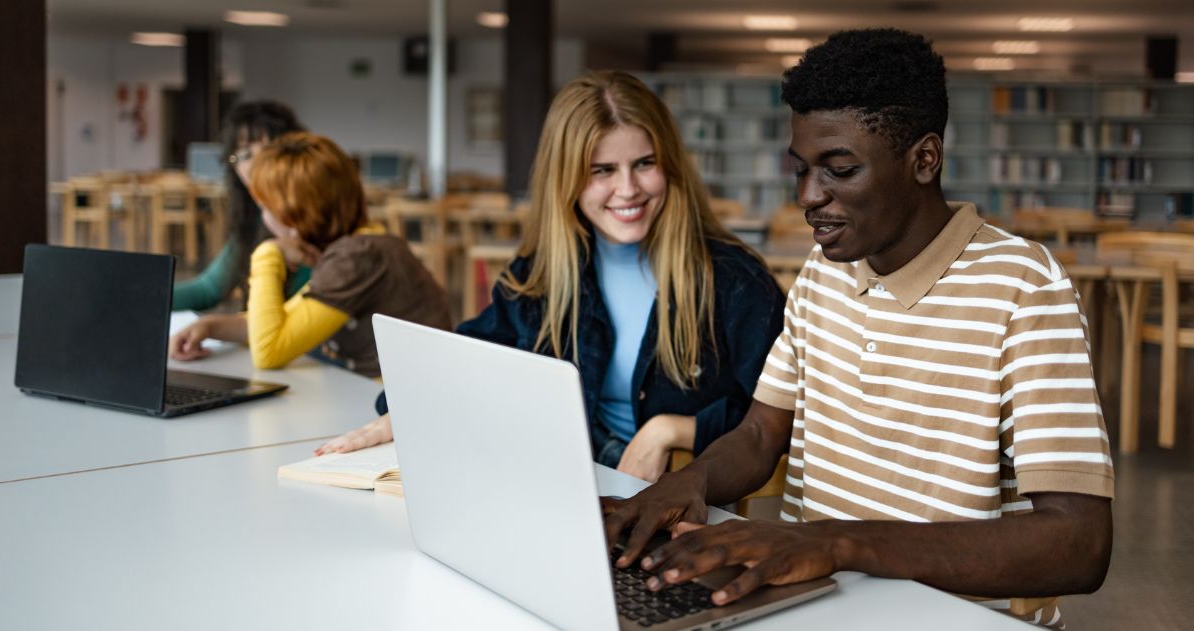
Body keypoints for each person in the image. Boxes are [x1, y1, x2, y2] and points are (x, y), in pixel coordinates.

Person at [602, 29, 1113, 628]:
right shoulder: (824, 272)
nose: (809, 196)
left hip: (947, 615)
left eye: (840, 170)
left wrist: (834, 544)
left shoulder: (1025, 286)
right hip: (810, 602)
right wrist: (689, 481)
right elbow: (763, 434)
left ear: (924, 159)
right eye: (801, 169)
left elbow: (1080, 544)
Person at [316, 70, 786, 483]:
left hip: (674, 503)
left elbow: (781, 416)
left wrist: (672, 428)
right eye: (602, 170)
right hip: (559, 482)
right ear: (566, 179)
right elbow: (474, 353)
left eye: (644, 163)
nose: (628, 189)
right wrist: (409, 408)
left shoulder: (734, 280)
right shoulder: (541, 273)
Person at [168, 132, 452, 377]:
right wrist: (210, 326)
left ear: (294, 212)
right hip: (369, 396)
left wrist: (268, 253)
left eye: (266, 207)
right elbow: (286, 322)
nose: (264, 217)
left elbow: (269, 351)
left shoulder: (356, 257)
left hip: (387, 406)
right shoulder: (359, 244)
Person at [171, 101, 312, 312]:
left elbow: (295, 323)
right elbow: (208, 289)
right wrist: (143, 293)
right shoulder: (252, 221)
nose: (254, 164)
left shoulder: (318, 222)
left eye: (267, 150)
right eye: (243, 155)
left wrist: (214, 327)